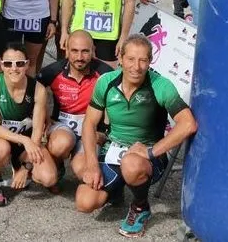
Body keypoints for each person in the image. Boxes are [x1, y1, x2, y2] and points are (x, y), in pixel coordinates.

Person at [75, 35, 198, 238]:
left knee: (131, 164)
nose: (136, 67)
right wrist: (92, 164)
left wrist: (151, 151)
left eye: (143, 60)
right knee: (84, 201)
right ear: (121, 59)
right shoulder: (106, 82)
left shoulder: (160, 85)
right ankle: (116, 191)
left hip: (146, 158)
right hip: (114, 150)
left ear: (150, 61)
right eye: (131, 59)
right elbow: (89, 123)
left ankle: (141, 207)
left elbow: (188, 124)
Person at [0, 43, 57, 206]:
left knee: (49, 178)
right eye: (8, 63)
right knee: (0, 150)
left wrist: (26, 168)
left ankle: (18, 166)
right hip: (0, 137)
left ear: (27, 64)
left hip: (27, 141)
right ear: (2, 65)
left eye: (20, 63)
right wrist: (25, 140)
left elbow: (37, 131)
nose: (14, 68)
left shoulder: (38, 89)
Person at [38, 31, 113, 185]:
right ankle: (56, 165)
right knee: (61, 144)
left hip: (92, 132)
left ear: (93, 51)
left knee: (84, 173)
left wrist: (106, 133)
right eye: (74, 51)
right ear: (66, 51)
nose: (79, 57)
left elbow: (121, 104)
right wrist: (43, 119)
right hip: (62, 128)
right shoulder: (53, 71)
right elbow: (31, 91)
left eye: (85, 51)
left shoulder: (106, 74)